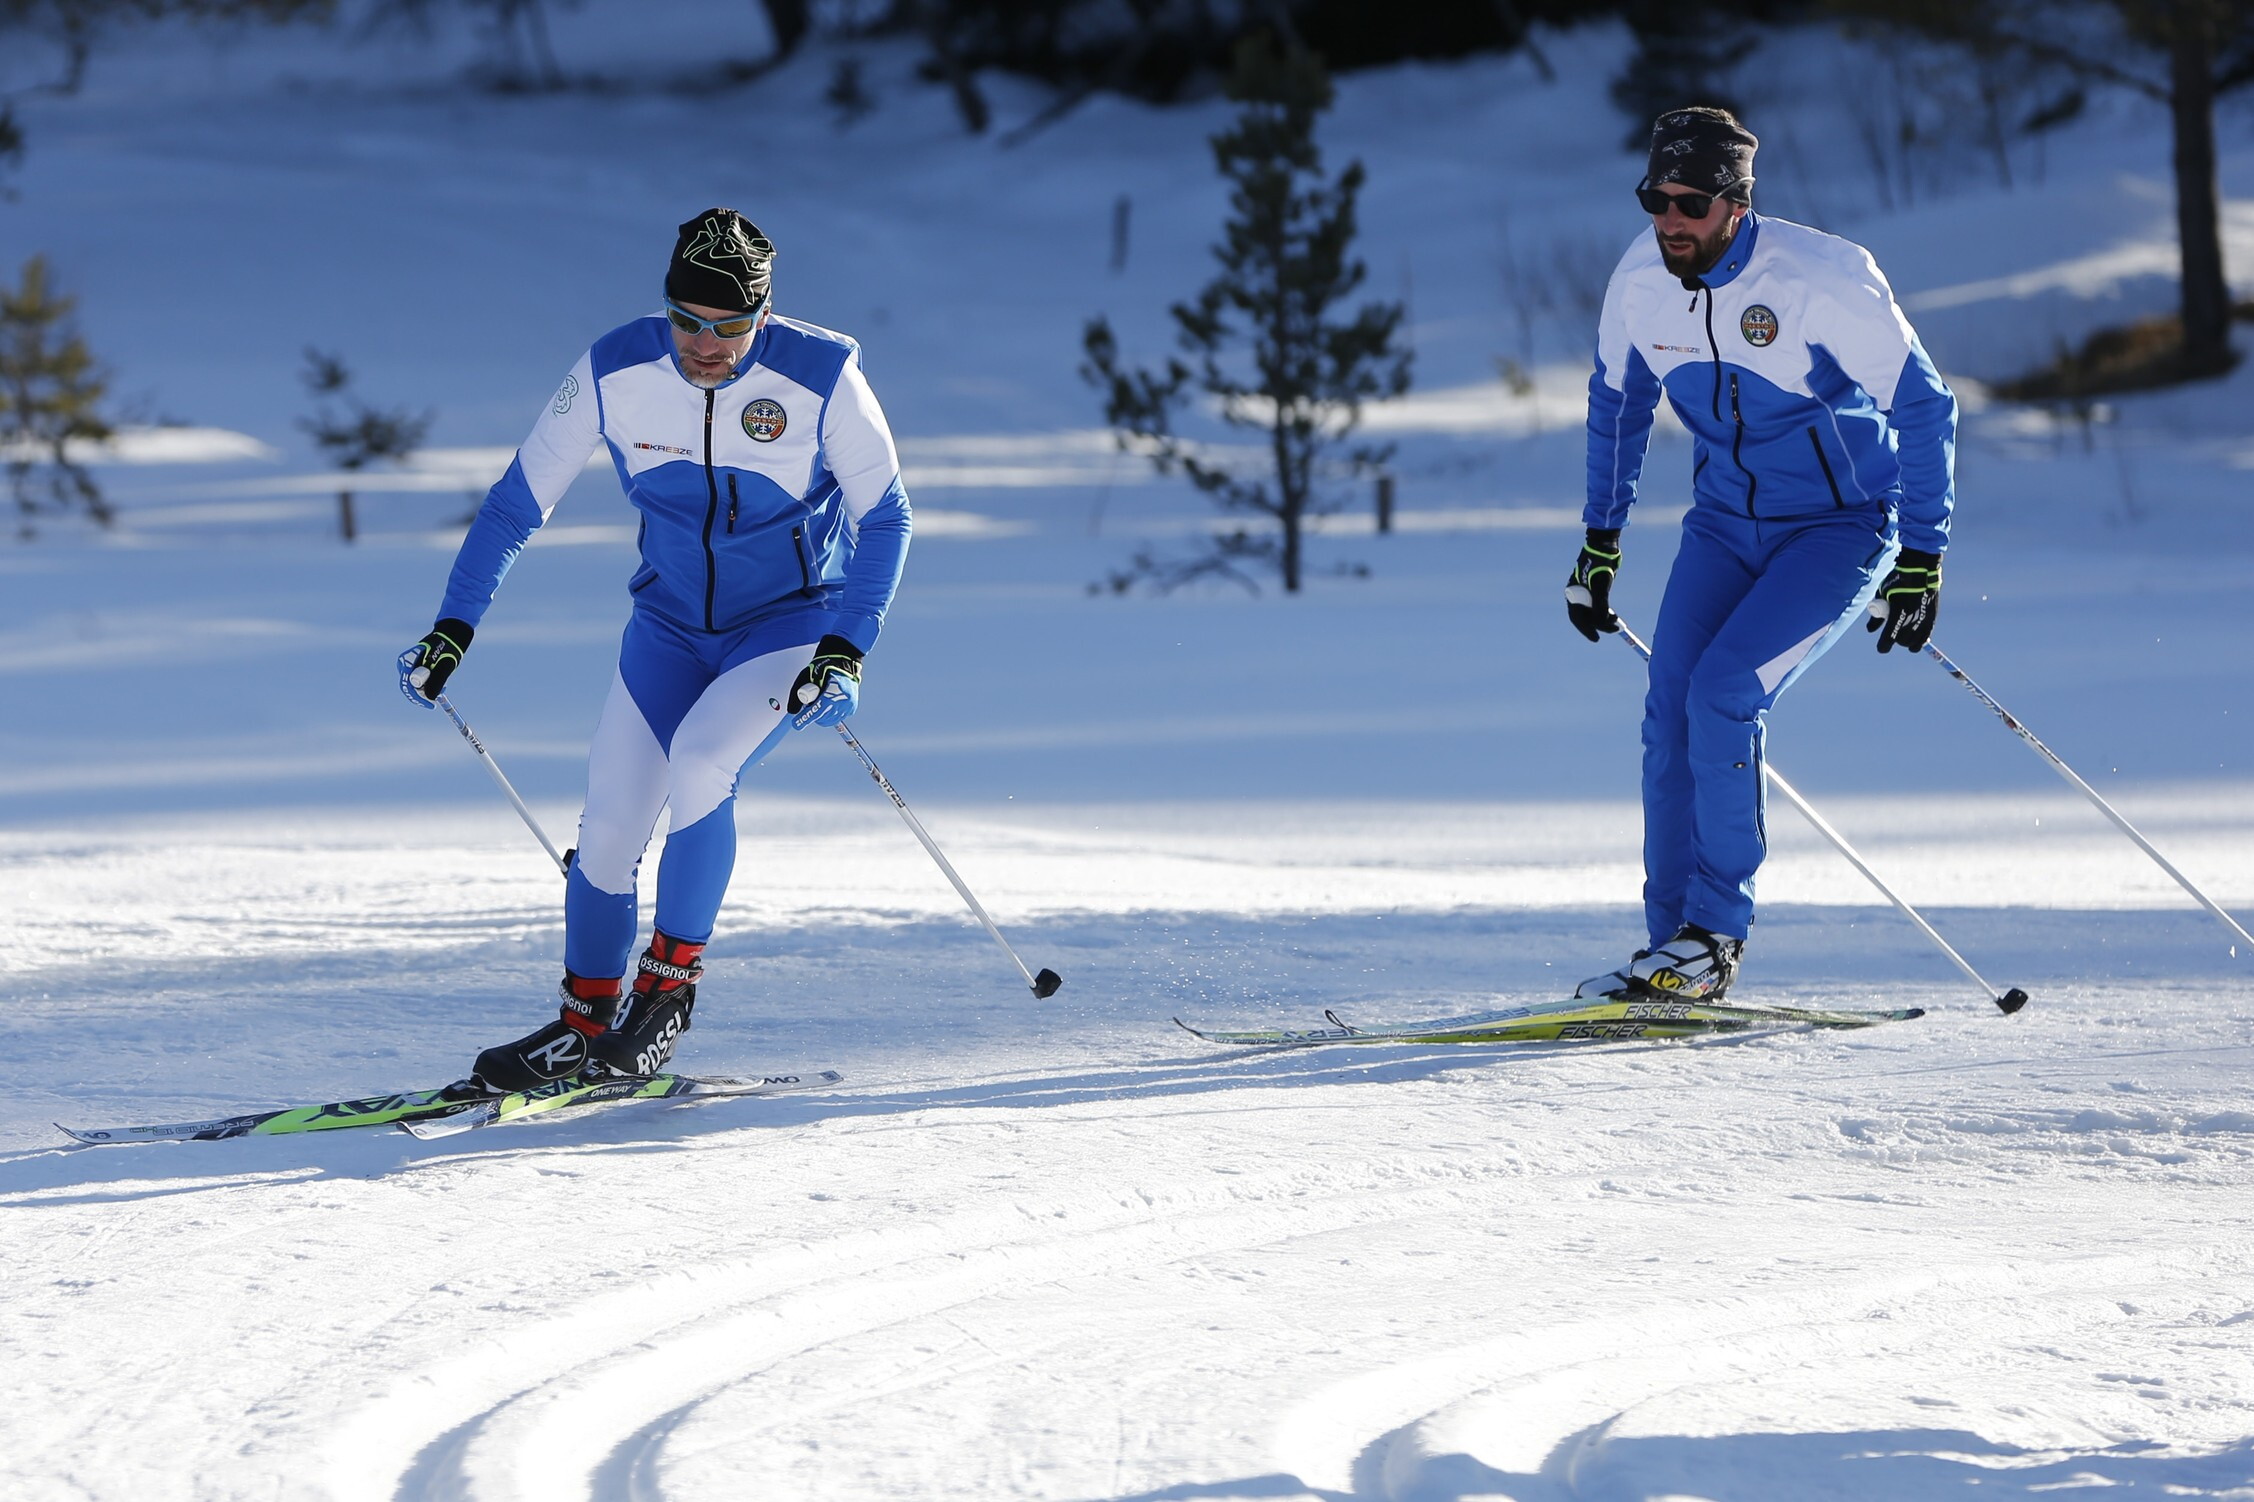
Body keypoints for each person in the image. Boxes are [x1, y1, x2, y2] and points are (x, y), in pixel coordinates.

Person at [399, 207, 912, 1089]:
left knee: (702, 761)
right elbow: (516, 504)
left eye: (730, 327)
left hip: (786, 626)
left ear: (765, 313)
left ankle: (666, 994)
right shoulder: (614, 368)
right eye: (686, 321)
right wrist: (454, 624)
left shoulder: (825, 376)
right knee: (607, 827)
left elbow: (887, 517)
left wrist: (847, 647)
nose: (704, 346)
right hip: (668, 629)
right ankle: (583, 1022)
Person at [1566, 107, 1955, 1001]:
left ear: (1737, 204)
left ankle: (1716, 933)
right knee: (1670, 712)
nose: (1669, 220)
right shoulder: (1639, 282)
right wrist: (1599, 541)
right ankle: (1671, 947)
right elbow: (1617, 408)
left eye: (1691, 202)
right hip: (1723, 524)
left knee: (1724, 692)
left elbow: (1925, 408)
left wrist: (1924, 554)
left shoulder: (1823, 278)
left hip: (1839, 525)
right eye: (1655, 199)